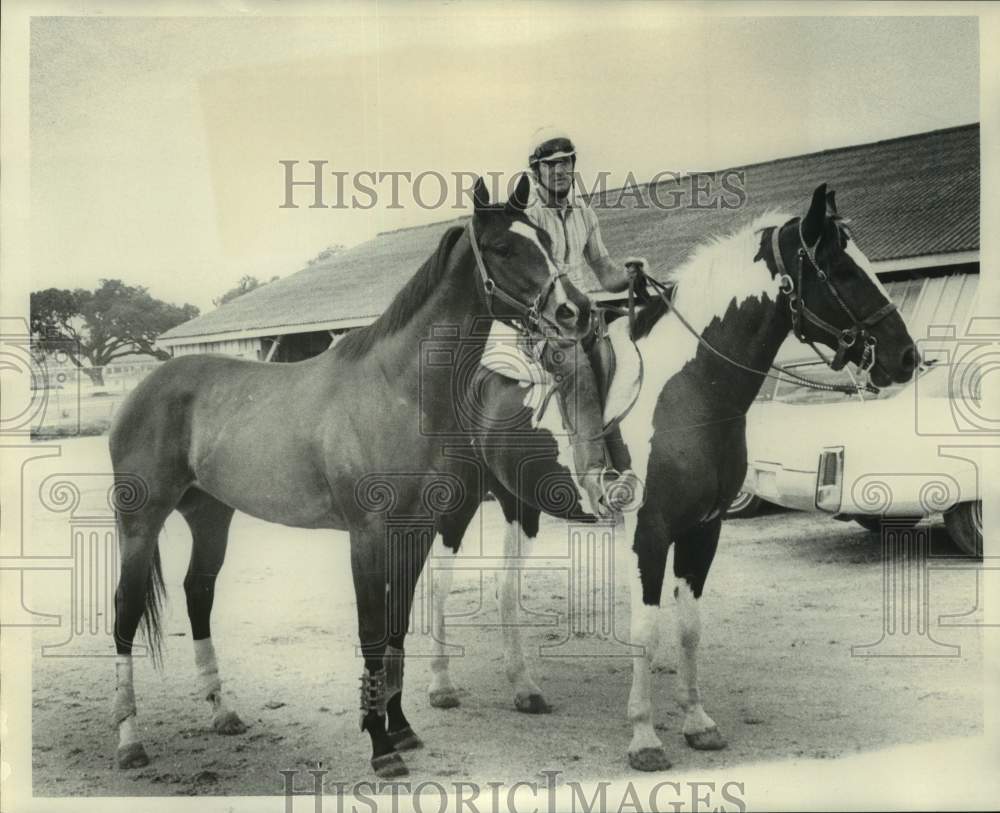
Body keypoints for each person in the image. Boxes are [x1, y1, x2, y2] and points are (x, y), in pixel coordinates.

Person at [523, 127, 646, 517]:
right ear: (536, 172)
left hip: (585, 320)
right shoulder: (527, 218)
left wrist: (633, 275)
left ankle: (623, 471)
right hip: (545, 326)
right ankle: (593, 479)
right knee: (576, 371)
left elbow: (607, 274)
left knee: (612, 370)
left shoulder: (586, 214)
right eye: (552, 165)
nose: (561, 171)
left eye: (567, 163)